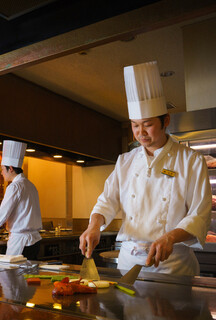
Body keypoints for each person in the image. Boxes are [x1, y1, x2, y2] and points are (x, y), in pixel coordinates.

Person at [79, 61, 212, 276]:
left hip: (172, 266)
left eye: (147, 124)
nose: (140, 132)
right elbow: (107, 201)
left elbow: (199, 214)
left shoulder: (190, 160)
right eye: (135, 125)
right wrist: (94, 226)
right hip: (128, 262)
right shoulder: (125, 161)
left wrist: (169, 237)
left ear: (165, 120)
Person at [0, 140, 42, 260]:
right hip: (34, 241)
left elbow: (2, 214)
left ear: (10, 168)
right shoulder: (30, 185)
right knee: (28, 277)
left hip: (21, 242)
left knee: (14, 277)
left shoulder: (15, 186)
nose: (1, 173)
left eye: (2, 169)